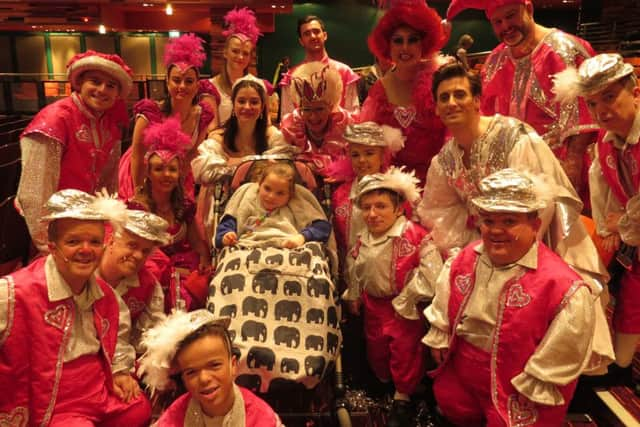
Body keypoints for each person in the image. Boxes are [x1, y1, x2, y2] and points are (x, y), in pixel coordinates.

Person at [419, 62, 613, 369]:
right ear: (437, 108)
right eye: (444, 97)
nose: (452, 102)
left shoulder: (513, 136)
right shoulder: (445, 159)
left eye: (460, 94)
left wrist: (510, 246)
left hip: (538, 238)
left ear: (477, 100)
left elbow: (542, 201)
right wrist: (465, 248)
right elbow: (438, 208)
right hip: (488, 242)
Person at [424, 168, 597, 426]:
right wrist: (440, 332)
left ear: (535, 225)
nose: (495, 230)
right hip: (463, 370)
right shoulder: (464, 259)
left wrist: (536, 381)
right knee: (457, 411)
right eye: (489, 221)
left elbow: (564, 348)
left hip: (519, 384)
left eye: (508, 222)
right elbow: (443, 299)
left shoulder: (562, 285)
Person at [0, 189, 150, 426]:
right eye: (73, 241)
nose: (86, 249)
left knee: (139, 408)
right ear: (52, 247)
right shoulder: (15, 292)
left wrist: (119, 370)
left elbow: (116, 341)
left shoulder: (106, 294)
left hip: (97, 389)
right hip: (52, 401)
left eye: (94, 242)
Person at [446, 0, 599, 201]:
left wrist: (569, 184)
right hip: (509, 176)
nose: (506, 27)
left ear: (528, 9)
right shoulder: (494, 61)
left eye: (510, 16)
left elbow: (583, 130)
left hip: (558, 174)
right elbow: (484, 120)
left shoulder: (567, 50)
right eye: (497, 22)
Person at [554, 53, 640, 375]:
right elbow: (602, 190)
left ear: (634, 92)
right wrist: (610, 227)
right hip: (634, 240)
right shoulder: (605, 143)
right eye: (592, 103)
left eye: (609, 96)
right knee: (629, 300)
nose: (601, 110)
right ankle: (622, 364)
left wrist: (626, 222)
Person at [343, 167, 443, 427]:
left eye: (380, 206)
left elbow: (432, 272)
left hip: (401, 307)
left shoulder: (414, 236)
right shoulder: (362, 237)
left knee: (404, 351)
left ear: (399, 208)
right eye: (366, 207)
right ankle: (385, 384)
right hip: (373, 305)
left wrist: (409, 297)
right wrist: (353, 293)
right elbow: (355, 265)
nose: (372, 214)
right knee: (376, 347)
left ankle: (403, 396)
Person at [17, 50, 133, 251]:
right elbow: (35, 192)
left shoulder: (110, 123)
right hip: (54, 226)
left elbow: (108, 184)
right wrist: (47, 244)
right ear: (79, 82)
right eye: (95, 81)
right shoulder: (54, 120)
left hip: (88, 223)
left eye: (111, 85)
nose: (102, 90)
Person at [138, 309, 283, 426]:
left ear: (233, 365)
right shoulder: (177, 414)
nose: (204, 378)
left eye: (214, 365)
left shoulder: (261, 417)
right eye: (191, 372)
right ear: (183, 378)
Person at [360, 0, 448, 184]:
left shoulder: (440, 81)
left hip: (441, 182)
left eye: (412, 40)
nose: (405, 48)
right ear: (388, 46)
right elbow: (368, 144)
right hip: (394, 187)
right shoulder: (379, 90)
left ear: (423, 44)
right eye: (398, 41)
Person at [119, 33, 215, 201]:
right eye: (176, 80)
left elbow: (191, 154)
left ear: (197, 85)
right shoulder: (150, 113)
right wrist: (139, 193)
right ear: (167, 82)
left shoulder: (203, 116)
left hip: (178, 176)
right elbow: (137, 155)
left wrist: (176, 189)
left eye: (189, 81)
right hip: (142, 174)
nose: (182, 86)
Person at [128, 117, 210, 312]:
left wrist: (205, 259)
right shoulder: (137, 208)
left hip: (183, 266)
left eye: (172, 169)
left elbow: (196, 242)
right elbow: (137, 252)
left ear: (180, 173)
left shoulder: (185, 205)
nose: (166, 175)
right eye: (159, 169)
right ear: (148, 172)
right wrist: (171, 272)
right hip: (148, 269)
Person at [97, 206, 170, 352]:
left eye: (145, 251)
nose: (138, 256)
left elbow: (151, 337)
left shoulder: (149, 286)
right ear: (111, 241)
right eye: (132, 245)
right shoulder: (84, 270)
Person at [329, 121, 404, 261]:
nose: (362, 160)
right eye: (355, 155)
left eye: (369, 153)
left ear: (382, 156)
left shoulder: (396, 190)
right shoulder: (340, 195)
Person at [215, 162, 332, 250]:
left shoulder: (298, 204)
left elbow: (323, 228)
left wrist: (302, 237)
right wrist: (226, 236)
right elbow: (225, 227)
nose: (271, 196)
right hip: (248, 248)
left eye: (280, 193)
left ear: (290, 195)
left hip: (289, 250)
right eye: (267, 189)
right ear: (259, 184)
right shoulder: (247, 199)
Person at [279, 15, 360, 117]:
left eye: (316, 31)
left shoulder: (345, 72)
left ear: (325, 35)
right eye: (307, 34)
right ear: (301, 41)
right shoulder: (291, 77)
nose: (313, 36)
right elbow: (287, 118)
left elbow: (354, 116)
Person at [280, 61, 352, 176]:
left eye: (319, 109)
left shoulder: (345, 125)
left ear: (331, 106)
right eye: (307, 110)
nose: (313, 117)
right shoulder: (291, 127)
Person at [206, 7, 264, 128]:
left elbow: (265, 124)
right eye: (235, 51)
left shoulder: (259, 85)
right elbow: (212, 129)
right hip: (222, 144)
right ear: (225, 52)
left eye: (245, 53)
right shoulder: (210, 87)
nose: (240, 57)